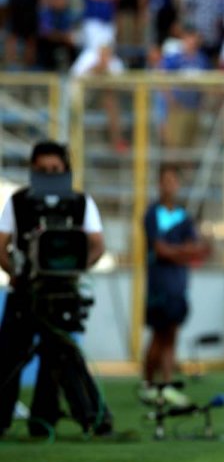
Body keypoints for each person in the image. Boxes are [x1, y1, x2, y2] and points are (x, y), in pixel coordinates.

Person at [0, 141, 112, 437]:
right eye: (42, 170)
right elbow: (1, 245)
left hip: (63, 294)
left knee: (60, 356)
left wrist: (73, 270)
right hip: (26, 293)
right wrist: (16, 274)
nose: (49, 174)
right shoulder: (18, 202)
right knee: (8, 357)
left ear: (65, 170)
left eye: (54, 169)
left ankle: (47, 418)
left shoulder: (81, 203)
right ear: (32, 171)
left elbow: (98, 244)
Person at [139, 164, 209, 406]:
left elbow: (200, 248)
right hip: (159, 284)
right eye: (165, 180)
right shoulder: (152, 214)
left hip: (178, 284)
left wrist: (175, 252)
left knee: (172, 333)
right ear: (159, 184)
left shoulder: (184, 216)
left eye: (173, 181)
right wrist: (184, 252)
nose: (169, 186)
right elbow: (160, 250)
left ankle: (166, 384)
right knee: (159, 333)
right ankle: (148, 384)